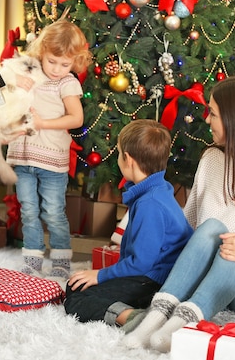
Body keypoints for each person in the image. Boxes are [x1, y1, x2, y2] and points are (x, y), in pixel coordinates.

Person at [124, 75, 235, 352]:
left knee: (233, 243)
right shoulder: (212, 159)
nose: (207, 120)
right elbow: (190, 226)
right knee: (211, 229)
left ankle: (178, 326)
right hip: (221, 281)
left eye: (214, 114)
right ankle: (156, 317)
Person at [63, 119, 193, 328]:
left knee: (77, 298)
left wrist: (101, 274)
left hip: (152, 282)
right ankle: (133, 309)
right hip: (149, 276)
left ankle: (135, 318)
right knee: (76, 285)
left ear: (128, 159)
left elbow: (141, 263)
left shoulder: (150, 204)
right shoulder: (157, 190)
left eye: (118, 154)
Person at [6, 19, 90, 279]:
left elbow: (77, 119)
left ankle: (61, 258)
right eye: (52, 61)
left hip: (52, 161)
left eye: (65, 64)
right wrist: (17, 78)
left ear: (74, 61)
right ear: (42, 51)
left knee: (52, 212)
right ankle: (32, 258)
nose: (56, 69)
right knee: (28, 210)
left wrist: (43, 123)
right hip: (22, 156)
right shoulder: (30, 71)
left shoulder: (67, 82)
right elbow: (0, 71)